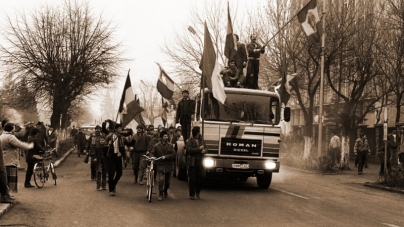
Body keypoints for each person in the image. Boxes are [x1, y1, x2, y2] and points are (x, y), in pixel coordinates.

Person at [0, 123, 34, 192]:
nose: (14, 129)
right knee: (9, 180)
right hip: (10, 160)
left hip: (5, 159)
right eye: (14, 128)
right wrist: (29, 146)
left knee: (5, 179)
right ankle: (6, 194)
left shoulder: (2, 135)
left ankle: (6, 194)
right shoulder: (10, 137)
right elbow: (19, 144)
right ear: (11, 129)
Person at [103, 120, 128, 196]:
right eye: (119, 128)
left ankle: (113, 183)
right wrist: (108, 144)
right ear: (116, 129)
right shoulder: (110, 136)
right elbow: (104, 144)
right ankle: (111, 190)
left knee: (119, 172)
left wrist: (125, 158)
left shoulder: (122, 138)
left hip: (118, 156)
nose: (120, 130)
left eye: (121, 128)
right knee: (111, 173)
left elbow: (123, 149)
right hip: (110, 156)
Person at [150, 130, 175, 201]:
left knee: (167, 182)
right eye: (164, 136)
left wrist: (166, 157)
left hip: (168, 165)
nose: (166, 137)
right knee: (161, 180)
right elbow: (152, 153)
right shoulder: (156, 146)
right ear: (161, 137)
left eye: (167, 136)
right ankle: (160, 193)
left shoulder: (170, 145)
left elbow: (173, 155)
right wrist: (152, 156)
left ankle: (165, 190)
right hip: (160, 164)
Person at [186, 126, 207, 200]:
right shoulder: (190, 141)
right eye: (198, 132)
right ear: (196, 133)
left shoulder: (201, 140)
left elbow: (206, 147)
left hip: (200, 161)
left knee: (202, 176)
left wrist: (205, 150)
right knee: (192, 178)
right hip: (192, 161)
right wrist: (199, 149)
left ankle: (198, 191)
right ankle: (192, 193)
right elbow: (189, 150)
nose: (199, 134)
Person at [87, 125, 108, 189]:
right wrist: (87, 150)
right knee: (96, 168)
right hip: (95, 154)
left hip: (103, 155)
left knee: (104, 171)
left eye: (99, 129)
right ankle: (98, 183)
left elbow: (107, 146)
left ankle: (104, 185)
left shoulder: (103, 135)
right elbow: (89, 144)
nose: (97, 130)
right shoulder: (92, 136)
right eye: (96, 129)